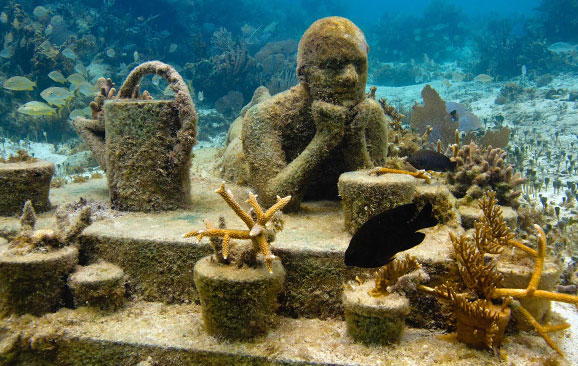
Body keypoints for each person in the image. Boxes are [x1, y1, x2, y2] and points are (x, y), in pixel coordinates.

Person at [241, 16, 389, 211]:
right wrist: (324, 140)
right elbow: (272, 202)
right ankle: (259, 96)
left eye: (359, 65)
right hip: (243, 147)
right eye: (334, 66)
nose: (351, 78)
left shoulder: (371, 116)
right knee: (237, 136)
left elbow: (376, 198)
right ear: (303, 74)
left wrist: (354, 140)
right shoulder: (265, 118)